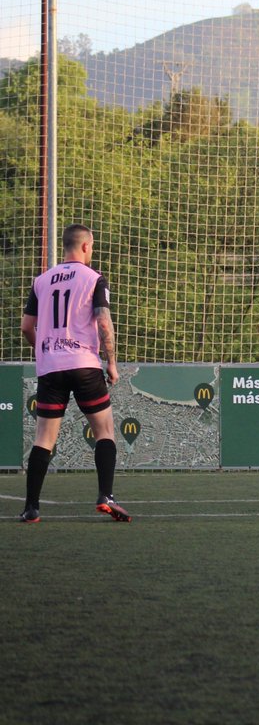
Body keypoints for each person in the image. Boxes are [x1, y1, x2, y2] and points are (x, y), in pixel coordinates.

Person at [19, 224, 129, 523]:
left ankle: (31, 508)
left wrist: (42, 350)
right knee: (104, 431)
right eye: (91, 247)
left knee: (44, 438)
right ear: (85, 246)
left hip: (51, 368)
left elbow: (27, 328)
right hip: (84, 364)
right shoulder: (94, 278)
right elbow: (104, 323)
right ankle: (105, 495)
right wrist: (112, 362)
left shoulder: (41, 281)